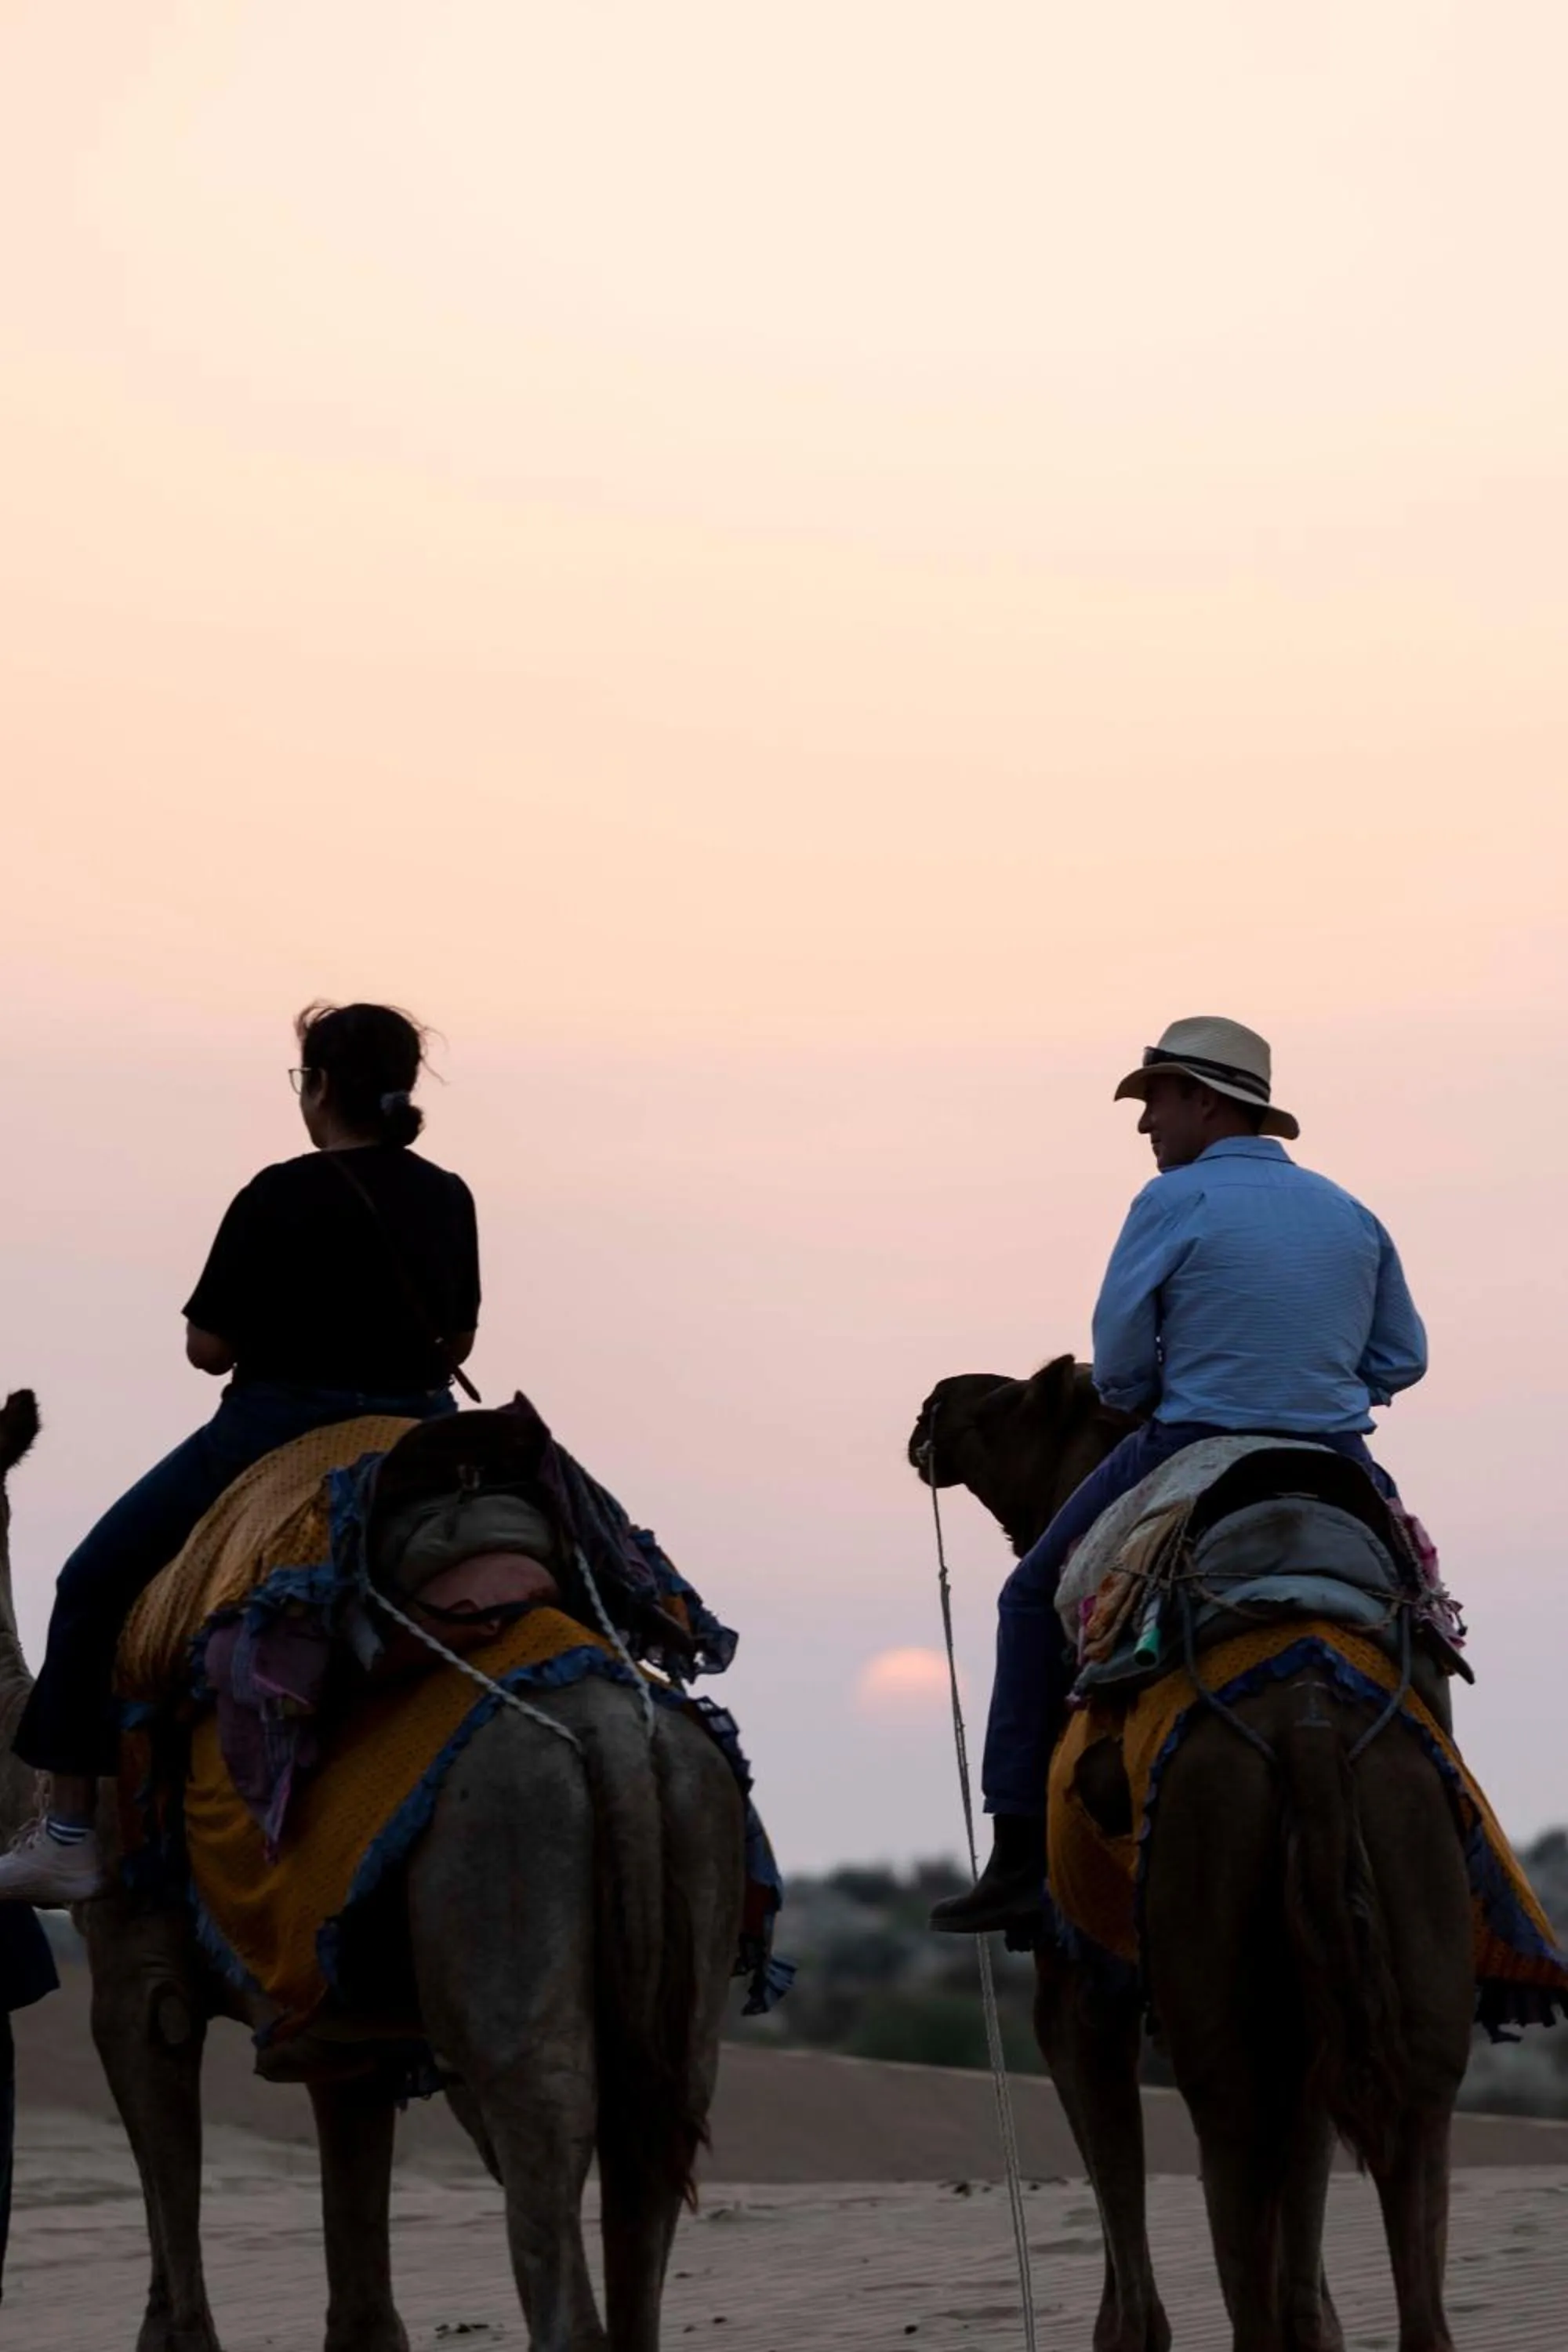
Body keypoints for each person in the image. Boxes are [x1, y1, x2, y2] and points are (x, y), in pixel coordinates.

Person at [931, 1014, 1427, 1934]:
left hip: (1189, 1440)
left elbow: (1116, 1362)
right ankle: (1450, 1846)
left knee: (1025, 1595)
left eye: (1152, 1101)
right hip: (1335, 1456)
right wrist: (1309, 1382)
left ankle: (1017, 1854)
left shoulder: (1169, 1203)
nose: (1142, 1125)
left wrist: (1156, 1387)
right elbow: (1401, 1358)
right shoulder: (1349, 1212)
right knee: (1419, 1618)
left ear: (1203, 1099)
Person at [0, 1002, 481, 1904]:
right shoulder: (448, 1193)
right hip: (418, 1434)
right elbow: (454, 1345)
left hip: (281, 1429)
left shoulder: (279, 1192)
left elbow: (207, 1351)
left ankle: (68, 1832)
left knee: (93, 1580)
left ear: (321, 1087)